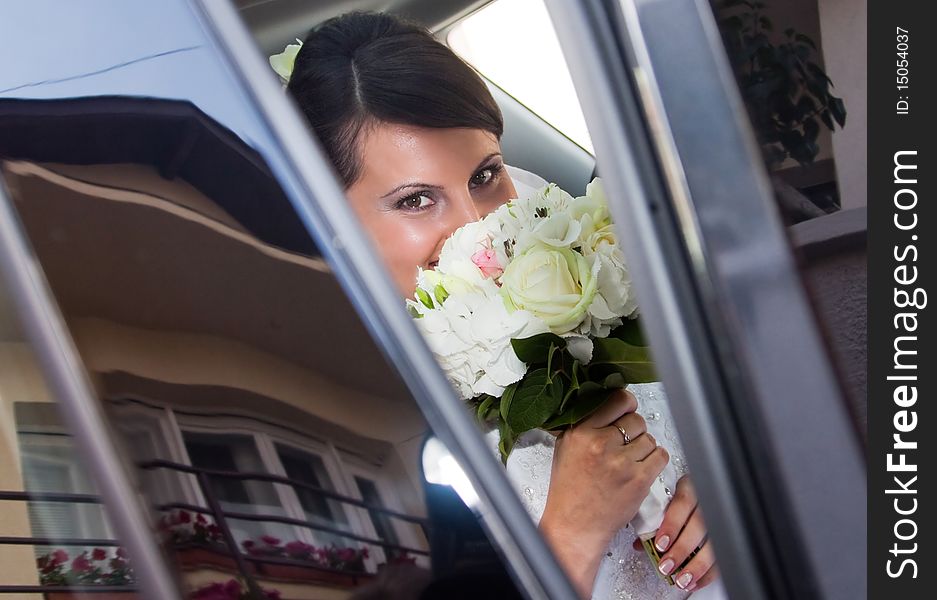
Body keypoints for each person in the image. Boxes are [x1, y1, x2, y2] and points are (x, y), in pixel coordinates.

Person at [286, 12, 722, 599]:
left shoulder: (576, 283)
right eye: (416, 200)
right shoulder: (339, 419)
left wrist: (722, 490)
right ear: (329, 222)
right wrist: (572, 532)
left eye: (486, 175)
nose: (480, 230)